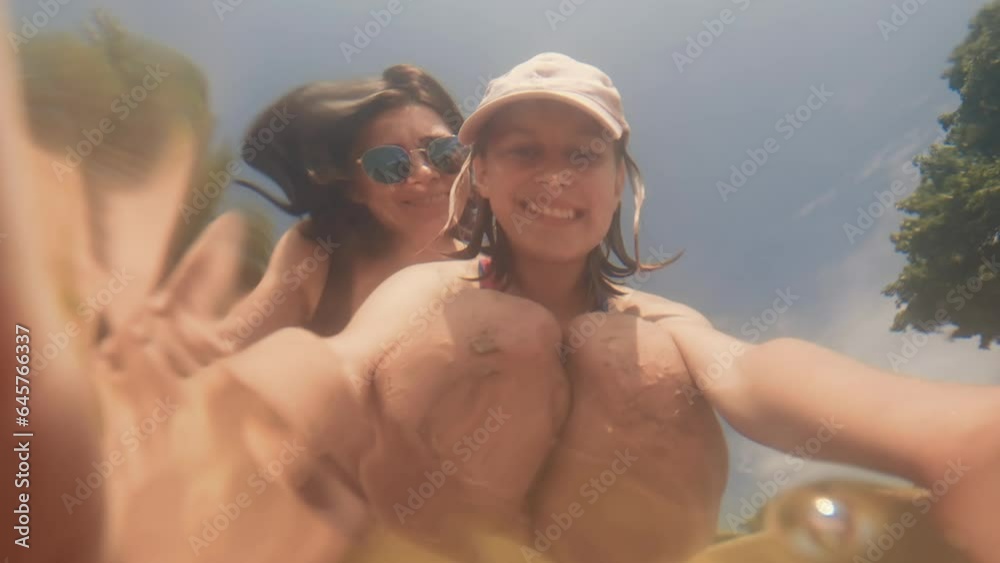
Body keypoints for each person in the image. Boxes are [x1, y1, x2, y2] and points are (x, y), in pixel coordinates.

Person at [220, 52, 999, 563]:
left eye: (584, 154)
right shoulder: (432, 288)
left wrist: (953, 432)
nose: (557, 177)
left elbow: (755, 373)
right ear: (483, 175)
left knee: (639, 357)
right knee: (496, 331)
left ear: (618, 179)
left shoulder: (652, 319)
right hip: (419, 537)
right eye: (526, 151)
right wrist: (235, 424)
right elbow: (342, 360)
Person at [105, 64, 475, 377]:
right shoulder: (321, 254)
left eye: (444, 152)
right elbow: (228, 350)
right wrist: (164, 349)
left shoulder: (498, 265)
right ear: (354, 189)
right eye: (388, 164)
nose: (424, 173)